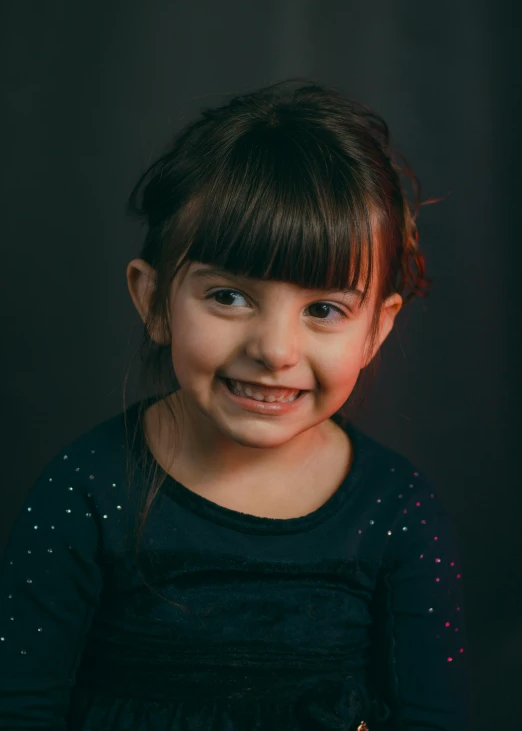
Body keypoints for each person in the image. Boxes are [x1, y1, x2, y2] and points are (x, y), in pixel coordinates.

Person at [0, 79, 472, 730]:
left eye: (324, 309)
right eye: (228, 296)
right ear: (154, 300)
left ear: (375, 330)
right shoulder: (83, 493)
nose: (274, 349)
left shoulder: (399, 511)